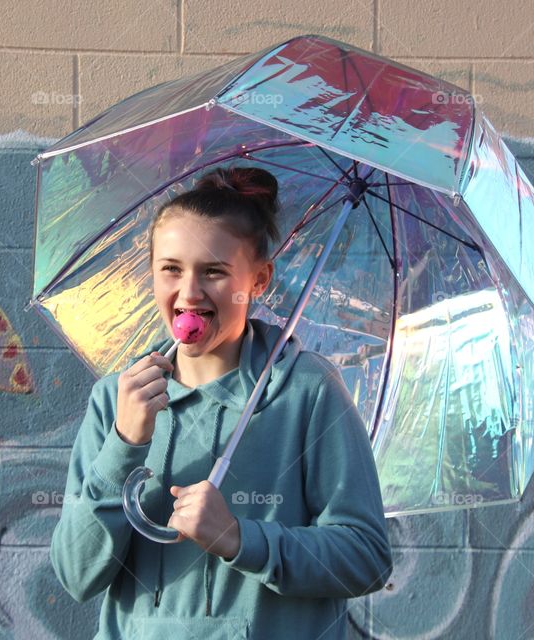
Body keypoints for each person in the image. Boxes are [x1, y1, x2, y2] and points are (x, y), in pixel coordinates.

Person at [50, 166, 393, 639]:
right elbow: (76, 575)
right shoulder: (115, 398)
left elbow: (366, 558)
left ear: (259, 279)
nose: (189, 293)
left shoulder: (308, 391)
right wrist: (123, 444)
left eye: (213, 271)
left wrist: (239, 539)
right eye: (171, 269)